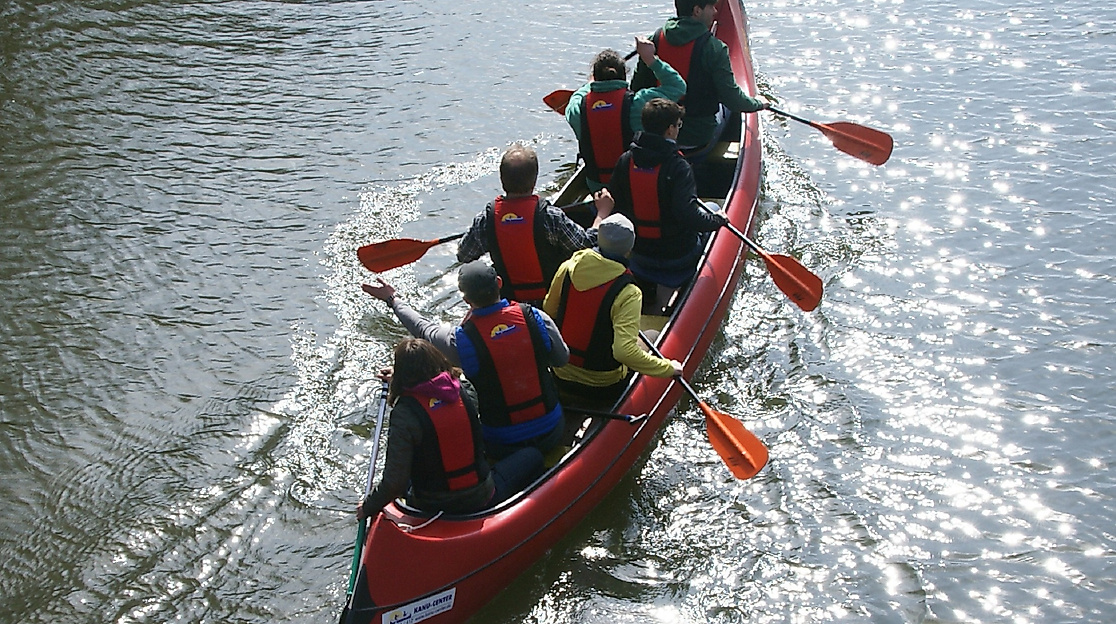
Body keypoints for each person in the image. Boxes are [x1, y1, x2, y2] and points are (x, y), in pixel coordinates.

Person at [361, 261, 570, 459]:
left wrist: (392, 299)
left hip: (499, 442)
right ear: (499, 283)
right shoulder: (536, 317)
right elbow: (562, 359)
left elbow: (422, 328)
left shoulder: (459, 342)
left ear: (466, 300)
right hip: (552, 429)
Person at [355, 338, 545, 520]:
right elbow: (443, 387)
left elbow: (394, 482)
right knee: (534, 455)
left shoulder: (404, 414)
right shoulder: (466, 390)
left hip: (429, 505)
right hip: (479, 497)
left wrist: (367, 507)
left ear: (402, 377)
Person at [596, 98, 728, 313]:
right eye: (678, 125)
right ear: (669, 130)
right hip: (676, 256)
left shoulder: (626, 160)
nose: (678, 130)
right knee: (712, 209)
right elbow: (689, 216)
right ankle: (684, 289)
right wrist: (718, 221)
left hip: (639, 253)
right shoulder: (678, 166)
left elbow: (616, 206)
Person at [543, 213, 684, 407]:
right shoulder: (629, 292)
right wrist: (668, 368)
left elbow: (548, 310)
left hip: (560, 375)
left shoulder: (568, 267)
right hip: (604, 387)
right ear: (629, 250)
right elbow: (623, 352)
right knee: (652, 334)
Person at [456, 144, 596, 306]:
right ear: (534, 180)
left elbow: (464, 255)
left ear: (502, 180)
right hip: (552, 299)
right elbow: (585, 246)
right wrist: (601, 215)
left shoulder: (486, 219)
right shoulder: (551, 216)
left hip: (510, 302)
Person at [630, 0, 768, 149]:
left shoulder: (652, 42)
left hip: (654, 133)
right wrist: (758, 104)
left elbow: (636, 89)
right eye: (710, 7)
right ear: (697, 11)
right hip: (695, 137)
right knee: (728, 106)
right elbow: (733, 100)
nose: (715, 11)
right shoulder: (715, 48)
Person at [564, 37, 685, 192]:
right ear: (623, 77)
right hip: (632, 183)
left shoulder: (577, 108)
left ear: (595, 79)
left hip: (597, 185)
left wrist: (589, 85)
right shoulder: (638, 102)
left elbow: (578, 96)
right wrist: (650, 59)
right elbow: (678, 87)